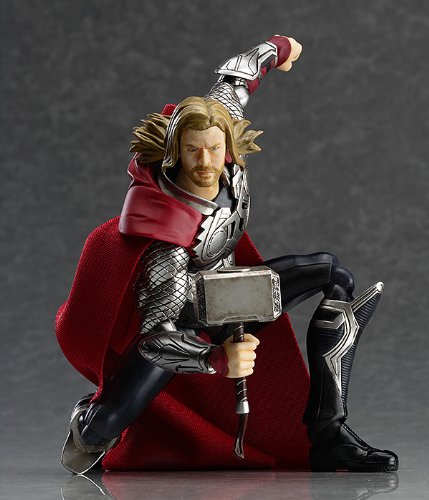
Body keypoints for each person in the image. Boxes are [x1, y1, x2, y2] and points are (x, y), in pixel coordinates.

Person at [57, 35, 398, 473]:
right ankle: (89, 422)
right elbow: (156, 338)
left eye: (214, 149)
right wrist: (214, 359)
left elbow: (240, 74)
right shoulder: (168, 232)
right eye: (192, 151)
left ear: (229, 145)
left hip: (231, 291)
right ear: (175, 152)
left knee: (335, 275)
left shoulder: (220, 128)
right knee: (101, 430)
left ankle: (329, 433)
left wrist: (278, 48)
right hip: (183, 321)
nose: (205, 161)